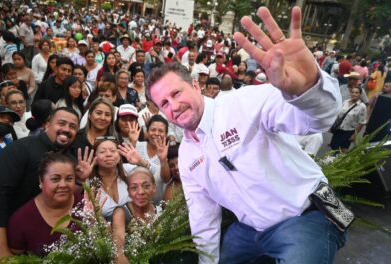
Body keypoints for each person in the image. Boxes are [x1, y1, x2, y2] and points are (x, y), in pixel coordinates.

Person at [146, 6, 346, 264]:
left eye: (176, 94)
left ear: (196, 84)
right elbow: (203, 215)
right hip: (250, 230)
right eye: (163, 103)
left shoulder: (245, 102)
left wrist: (308, 89)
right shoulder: (186, 154)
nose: (172, 106)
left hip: (308, 216)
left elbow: (317, 120)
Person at [0, 107, 91, 263]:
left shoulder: (70, 159)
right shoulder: (19, 149)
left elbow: (67, 197)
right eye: (61, 123)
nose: (66, 129)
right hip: (4, 239)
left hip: (42, 244)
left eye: (72, 126)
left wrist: (79, 180)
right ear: (47, 125)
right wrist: (0, 248)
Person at [7, 152, 81, 256]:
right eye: (55, 179)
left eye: (69, 179)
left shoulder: (86, 206)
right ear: (41, 181)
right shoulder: (20, 220)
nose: (63, 185)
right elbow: (15, 258)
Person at [112, 167, 157, 264]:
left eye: (146, 186)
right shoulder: (121, 213)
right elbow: (118, 252)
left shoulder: (161, 210)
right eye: (134, 188)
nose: (141, 192)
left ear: (154, 188)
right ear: (128, 191)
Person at [135, 115, 171, 203]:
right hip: (137, 200)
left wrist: (163, 160)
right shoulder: (137, 146)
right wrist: (133, 143)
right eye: (153, 130)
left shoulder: (169, 152)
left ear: (166, 134)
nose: (156, 133)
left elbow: (166, 179)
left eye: (161, 131)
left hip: (159, 202)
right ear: (147, 131)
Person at [330, 86, 367, 153]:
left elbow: (361, 122)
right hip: (338, 129)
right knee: (333, 146)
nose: (354, 94)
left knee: (341, 149)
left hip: (348, 132)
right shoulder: (345, 102)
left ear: (360, 94)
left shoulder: (362, 107)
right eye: (352, 92)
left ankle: (338, 162)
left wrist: (355, 135)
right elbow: (339, 115)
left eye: (356, 93)